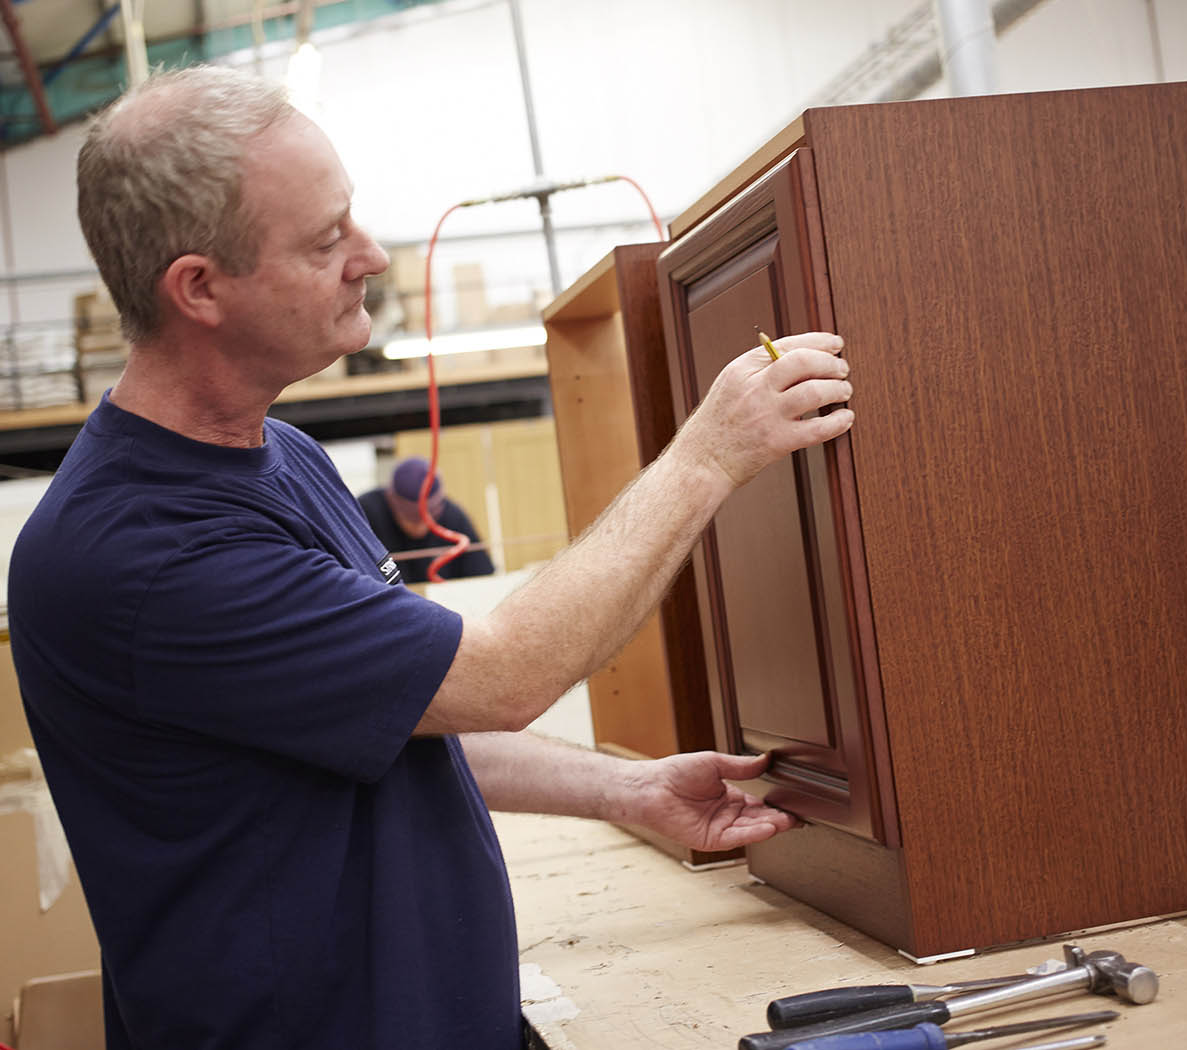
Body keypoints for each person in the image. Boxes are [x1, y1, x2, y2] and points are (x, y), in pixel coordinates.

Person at [7, 65, 853, 1050]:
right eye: (326, 241)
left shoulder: (284, 460)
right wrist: (709, 456)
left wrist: (623, 791)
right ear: (199, 288)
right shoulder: (139, 555)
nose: (369, 253)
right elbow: (502, 679)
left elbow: (401, 715)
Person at [358, 456, 495, 582]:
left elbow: (482, 576)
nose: (421, 527)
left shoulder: (454, 517)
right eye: (412, 519)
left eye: (430, 519)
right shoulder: (365, 514)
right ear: (391, 501)